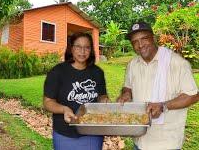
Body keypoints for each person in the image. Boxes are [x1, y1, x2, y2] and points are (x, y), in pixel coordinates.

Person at [117, 21, 199, 150]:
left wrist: (163, 106)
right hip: (139, 140)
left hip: (165, 143)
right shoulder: (132, 64)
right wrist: (126, 93)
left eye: (144, 39)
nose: (140, 45)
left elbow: (193, 96)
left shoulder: (177, 63)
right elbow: (128, 86)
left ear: (153, 38)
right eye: (135, 42)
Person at [43, 32, 110, 150]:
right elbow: (48, 102)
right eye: (78, 46)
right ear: (71, 48)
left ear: (91, 50)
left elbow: (101, 96)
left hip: (92, 132)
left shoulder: (97, 72)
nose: (82, 51)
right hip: (65, 133)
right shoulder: (58, 72)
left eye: (87, 47)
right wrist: (64, 109)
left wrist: (103, 99)